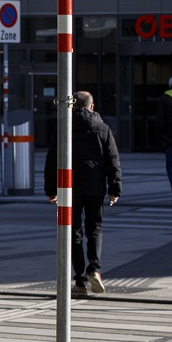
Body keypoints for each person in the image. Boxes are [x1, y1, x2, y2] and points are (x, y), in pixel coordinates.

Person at [45, 90, 122, 296]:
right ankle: (95, 269)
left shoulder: (64, 127)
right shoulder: (103, 128)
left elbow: (52, 159)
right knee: (95, 228)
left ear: (72, 106)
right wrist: (115, 188)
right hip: (95, 186)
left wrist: (51, 189)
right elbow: (113, 160)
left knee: (74, 232)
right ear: (92, 106)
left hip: (70, 188)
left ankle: (79, 281)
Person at [158, 75, 172, 204]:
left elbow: (160, 121)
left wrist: (160, 137)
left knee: (171, 167)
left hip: (169, 139)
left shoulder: (165, 98)